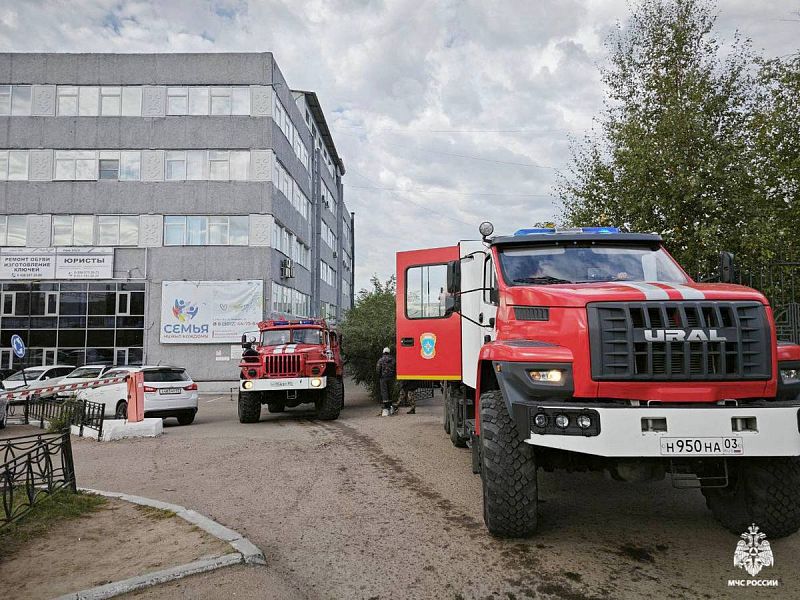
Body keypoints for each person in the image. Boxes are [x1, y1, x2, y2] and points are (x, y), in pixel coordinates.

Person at [376, 347, 397, 417]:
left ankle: (386, 406)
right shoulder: (393, 360)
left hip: (383, 378)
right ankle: (391, 405)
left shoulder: (381, 360)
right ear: (389, 352)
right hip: (391, 378)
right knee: (390, 390)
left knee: (384, 391)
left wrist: (379, 376)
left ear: (383, 352)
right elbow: (396, 368)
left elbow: (378, 369)